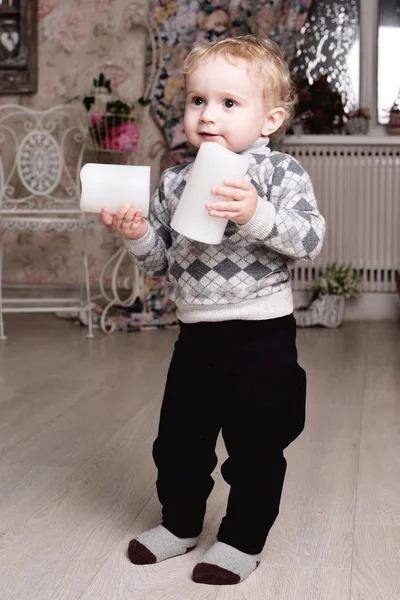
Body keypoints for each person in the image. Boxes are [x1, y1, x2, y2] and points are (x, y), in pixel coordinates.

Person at [100, 35, 325, 586]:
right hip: (196, 337)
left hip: (261, 336)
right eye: (197, 101)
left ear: (269, 119)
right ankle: (180, 524)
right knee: (178, 441)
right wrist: (136, 235)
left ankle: (242, 539)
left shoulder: (279, 173)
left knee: (254, 447)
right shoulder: (177, 178)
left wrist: (255, 213)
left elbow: (309, 238)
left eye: (228, 103)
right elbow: (162, 262)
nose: (207, 115)